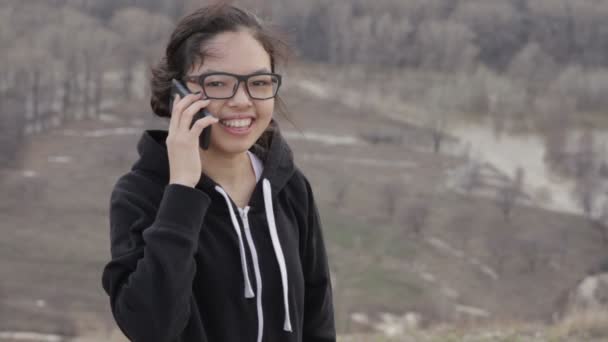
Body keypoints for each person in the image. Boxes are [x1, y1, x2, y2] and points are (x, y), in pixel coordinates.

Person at [101, 4, 336, 342]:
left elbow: (318, 321)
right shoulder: (142, 194)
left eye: (258, 82)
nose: (242, 101)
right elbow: (151, 327)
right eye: (218, 83)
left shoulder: (289, 188)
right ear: (177, 93)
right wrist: (181, 191)